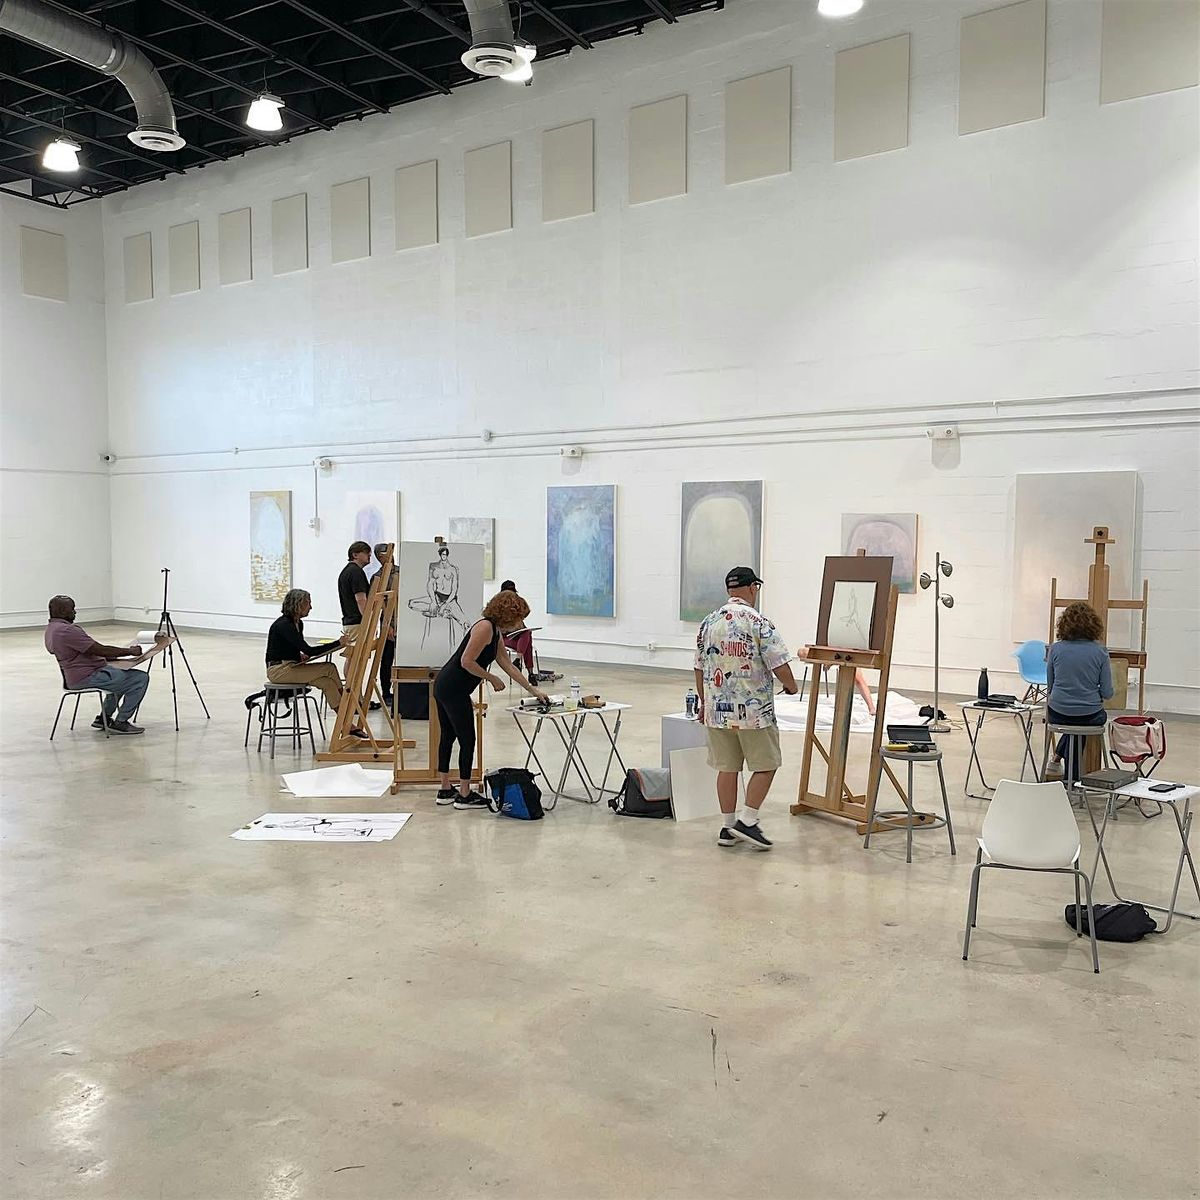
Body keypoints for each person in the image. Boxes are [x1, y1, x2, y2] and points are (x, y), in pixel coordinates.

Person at [694, 567, 799, 851]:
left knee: (727, 768)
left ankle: (727, 827)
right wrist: (792, 687)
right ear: (753, 587)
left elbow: (699, 667)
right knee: (767, 765)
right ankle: (747, 820)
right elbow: (779, 663)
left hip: (717, 710)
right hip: (754, 714)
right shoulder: (758, 622)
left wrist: (704, 702)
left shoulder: (708, 622)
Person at [434, 589, 548, 809]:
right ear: (508, 614)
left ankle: (445, 789)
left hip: (447, 686)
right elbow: (467, 661)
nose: (520, 624)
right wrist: (491, 677)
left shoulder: (494, 632)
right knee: (467, 739)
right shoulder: (485, 628)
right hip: (453, 689)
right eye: (519, 618)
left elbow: (507, 664)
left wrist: (533, 690)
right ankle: (464, 794)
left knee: (449, 736)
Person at [265, 589, 367, 739]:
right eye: (308, 603)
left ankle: (346, 724)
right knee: (329, 668)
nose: (310, 607)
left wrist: (298, 656)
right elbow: (309, 650)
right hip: (279, 670)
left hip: (290, 665)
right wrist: (338, 643)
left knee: (327, 683)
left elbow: (291, 648)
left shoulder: (297, 623)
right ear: (298, 604)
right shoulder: (284, 625)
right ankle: (346, 702)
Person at [44, 595, 152, 735]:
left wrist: (111, 656)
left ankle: (103, 718)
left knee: (121, 677)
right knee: (140, 678)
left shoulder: (51, 629)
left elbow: (87, 651)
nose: (75, 612)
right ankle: (121, 722)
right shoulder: (67, 630)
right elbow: (99, 649)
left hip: (74, 676)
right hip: (87, 676)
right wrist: (130, 651)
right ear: (62, 610)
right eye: (72, 609)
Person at [1045, 601, 1113, 781]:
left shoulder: (1055, 649)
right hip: (1090, 714)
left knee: (1072, 728)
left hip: (1058, 712)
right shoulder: (1100, 652)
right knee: (1080, 725)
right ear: (1093, 625)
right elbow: (1107, 692)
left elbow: (1050, 687)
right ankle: (1072, 781)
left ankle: (1060, 764)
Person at [499, 579, 537, 685]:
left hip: (519, 637)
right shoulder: (498, 605)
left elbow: (527, 611)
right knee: (527, 642)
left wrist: (518, 619)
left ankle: (518, 660)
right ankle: (530, 673)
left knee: (526, 633)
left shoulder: (519, 601)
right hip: (504, 638)